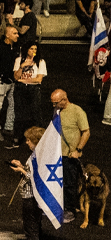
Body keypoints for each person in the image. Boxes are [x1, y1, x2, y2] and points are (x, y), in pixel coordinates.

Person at [9, 127, 47, 240]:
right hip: (35, 198)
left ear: (36, 141)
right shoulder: (38, 154)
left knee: (31, 232)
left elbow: (37, 178)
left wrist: (22, 171)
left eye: (29, 140)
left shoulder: (39, 156)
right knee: (36, 230)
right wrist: (22, 166)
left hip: (31, 198)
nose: (26, 142)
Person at [52, 89, 89, 225]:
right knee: (57, 181)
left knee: (69, 184)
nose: (54, 105)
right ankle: (59, 206)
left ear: (64, 99)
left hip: (70, 155)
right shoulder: (57, 111)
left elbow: (86, 132)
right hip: (57, 153)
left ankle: (70, 210)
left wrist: (78, 149)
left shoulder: (77, 111)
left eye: (56, 102)